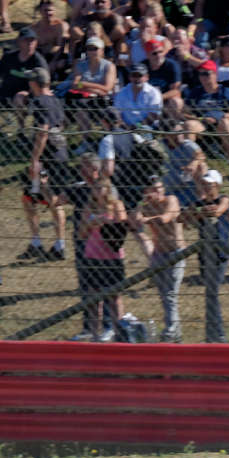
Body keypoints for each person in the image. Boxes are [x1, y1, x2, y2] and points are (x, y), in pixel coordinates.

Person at [20, 66, 69, 263]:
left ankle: (59, 245)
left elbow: (43, 131)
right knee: (28, 198)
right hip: (60, 154)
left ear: (34, 83)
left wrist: (35, 160)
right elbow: (62, 125)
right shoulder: (56, 99)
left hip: (48, 158)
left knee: (52, 200)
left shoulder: (40, 101)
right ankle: (37, 243)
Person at [130, 175, 186, 342]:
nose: (158, 191)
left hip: (176, 253)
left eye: (160, 188)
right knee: (164, 294)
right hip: (158, 254)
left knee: (170, 293)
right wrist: (140, 204)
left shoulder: (171, 200)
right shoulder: (147, 206)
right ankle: (175, 331)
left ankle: (171, 330)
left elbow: (166, 218)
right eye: (154, 189)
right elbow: (133, 221)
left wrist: (146, 219)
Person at [180, 169, 229, 342]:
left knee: (212, 293)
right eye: (204, 184)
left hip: (220, 253)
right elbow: (183, 217)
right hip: (204, 253)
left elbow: (217, 211)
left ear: (217, 185)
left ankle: (218, 335)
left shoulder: (224, 198)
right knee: (210, 294)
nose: (206, 187)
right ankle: (213, 334)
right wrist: (200, 210)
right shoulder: (199, 202)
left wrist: (198, 212)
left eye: (209, 184)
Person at [79, 176, 129, 341]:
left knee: (114, 298)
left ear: (108, 190)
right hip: (93, 256)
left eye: (101, 188)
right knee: (94, 299)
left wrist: (107, 221)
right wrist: (90, 224)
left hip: (112, 256)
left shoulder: (116, 205)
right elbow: (81, 234)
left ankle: (118, 332)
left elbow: (123, 227)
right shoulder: (89, 208)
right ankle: (95, 334)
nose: (98, 191)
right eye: (95, 188)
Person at [184, 59, 229, 181]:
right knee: (189, 125)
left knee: (226, 123)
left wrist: (224, 117)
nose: (203, 77)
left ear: (215, 74)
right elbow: (184, 113)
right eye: (201, 74)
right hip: (202, 123)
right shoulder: (196, 92)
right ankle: (193, 164)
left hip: (221, 123)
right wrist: (200, 118)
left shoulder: (225, 91)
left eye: (206, 73)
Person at [65, 35, 117, 130]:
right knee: (80, 109)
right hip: (86, 99)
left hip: (103, 100)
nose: (92, 51)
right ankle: (86, 140)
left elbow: (107, 88)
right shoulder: (81, 65)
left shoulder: (109, 66)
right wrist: (95, 89)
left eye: (95, 48)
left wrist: (83, 85)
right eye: (89, 49)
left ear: (102, 50)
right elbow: (75, 84)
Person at [0, 29, 49, 112]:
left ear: (36, 42)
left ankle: (21, 125)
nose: (30, 43)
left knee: (19, 97)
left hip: (28, 94)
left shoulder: (39, 61)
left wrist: (29, 93)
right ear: (19, 42)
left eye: (32, 40)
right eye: (26, 40)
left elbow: (44, 85)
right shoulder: (8, 57)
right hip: (6, 92)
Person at [32, 4, 69, 77]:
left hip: (56, 55)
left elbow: (61, 46)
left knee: (60, 64)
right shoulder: (35, 28)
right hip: (41, 56)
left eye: (50, 10)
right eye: (45, 10)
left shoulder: (59, 26)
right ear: (40, 12)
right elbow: (33, 48)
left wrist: (53, 62)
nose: (48, 13)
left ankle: (56, 75)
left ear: (54, 11)